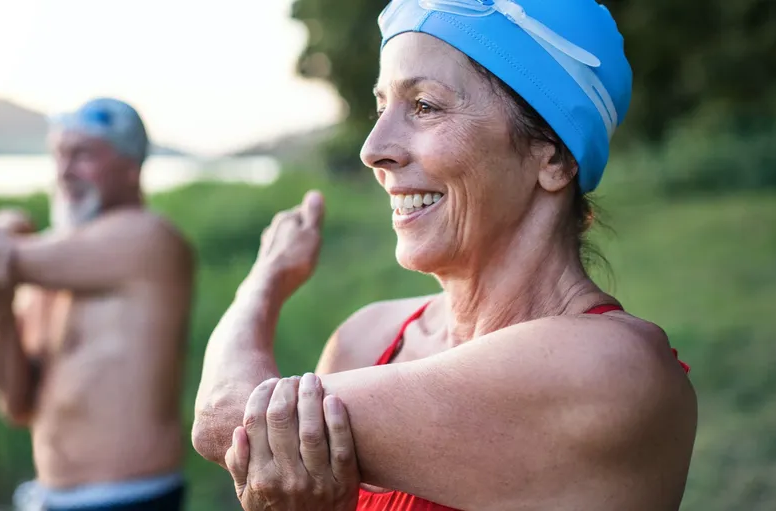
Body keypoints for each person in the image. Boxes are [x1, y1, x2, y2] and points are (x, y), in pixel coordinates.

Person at [191, 0, 696, 510]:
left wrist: (262, 283)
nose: (373, 149)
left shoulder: (612, 369)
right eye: (380, 106)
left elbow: (226, 417)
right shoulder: (365, 339)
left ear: (553, 157)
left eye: (425, 106)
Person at [0, 97, 196, 511]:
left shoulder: (151, 239)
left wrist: (1, 229)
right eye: (59, 154)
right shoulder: (48, 264)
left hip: (133, 498)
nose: (64, 170)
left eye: (84, 155)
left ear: (131, 168)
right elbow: (15, 405)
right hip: (51, 495)